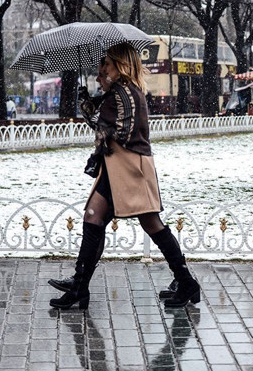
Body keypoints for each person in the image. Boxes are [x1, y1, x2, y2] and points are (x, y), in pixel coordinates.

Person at [48, 43, 200, 310]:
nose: (101, 70)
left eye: (106, 64)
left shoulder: (124, 93)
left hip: (130, 167)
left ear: (120, 65)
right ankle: (80, 287)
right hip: (118, 166)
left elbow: (121, 130)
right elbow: (107, 121)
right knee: (93, 217)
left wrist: (91, 105)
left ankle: (186, 281)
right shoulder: (120, 93)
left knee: (151, 224)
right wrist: (93, 100)